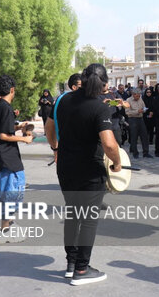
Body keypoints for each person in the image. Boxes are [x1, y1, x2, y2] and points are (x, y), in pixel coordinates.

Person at [45, 63, 122, 285]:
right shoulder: (99, 107)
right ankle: (81, 270)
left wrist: (55, 148)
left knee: (72, 214)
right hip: (90, 170)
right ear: (104, 84)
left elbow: (50, 128)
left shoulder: (64, 100)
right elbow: (109, 144)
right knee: (88, 220)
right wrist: (117, 163)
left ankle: (71, 264)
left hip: (66, 168)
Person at [0, 75, 33, 243]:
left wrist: (18, 126)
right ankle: (5, 231)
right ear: (12, 90)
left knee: (9, 193)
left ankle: (6, 226)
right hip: (9, 158)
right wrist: (24, 139)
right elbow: (3, 135)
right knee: (12, 193)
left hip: (4, 157)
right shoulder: (6, 108)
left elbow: (4, 129)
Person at [125, 89, 153, 159]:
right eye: (137, 96)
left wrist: (144, 110)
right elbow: (127, 112)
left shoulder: (140, 99)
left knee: (144, 135)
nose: (138, 97)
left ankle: (146, 152)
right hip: (132, 119)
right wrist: (137, 111)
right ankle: (135, 152)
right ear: (133, 94)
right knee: (134, 136)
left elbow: (144, 106)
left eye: (139, 96)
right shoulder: (128, 100)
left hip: (140, 119)